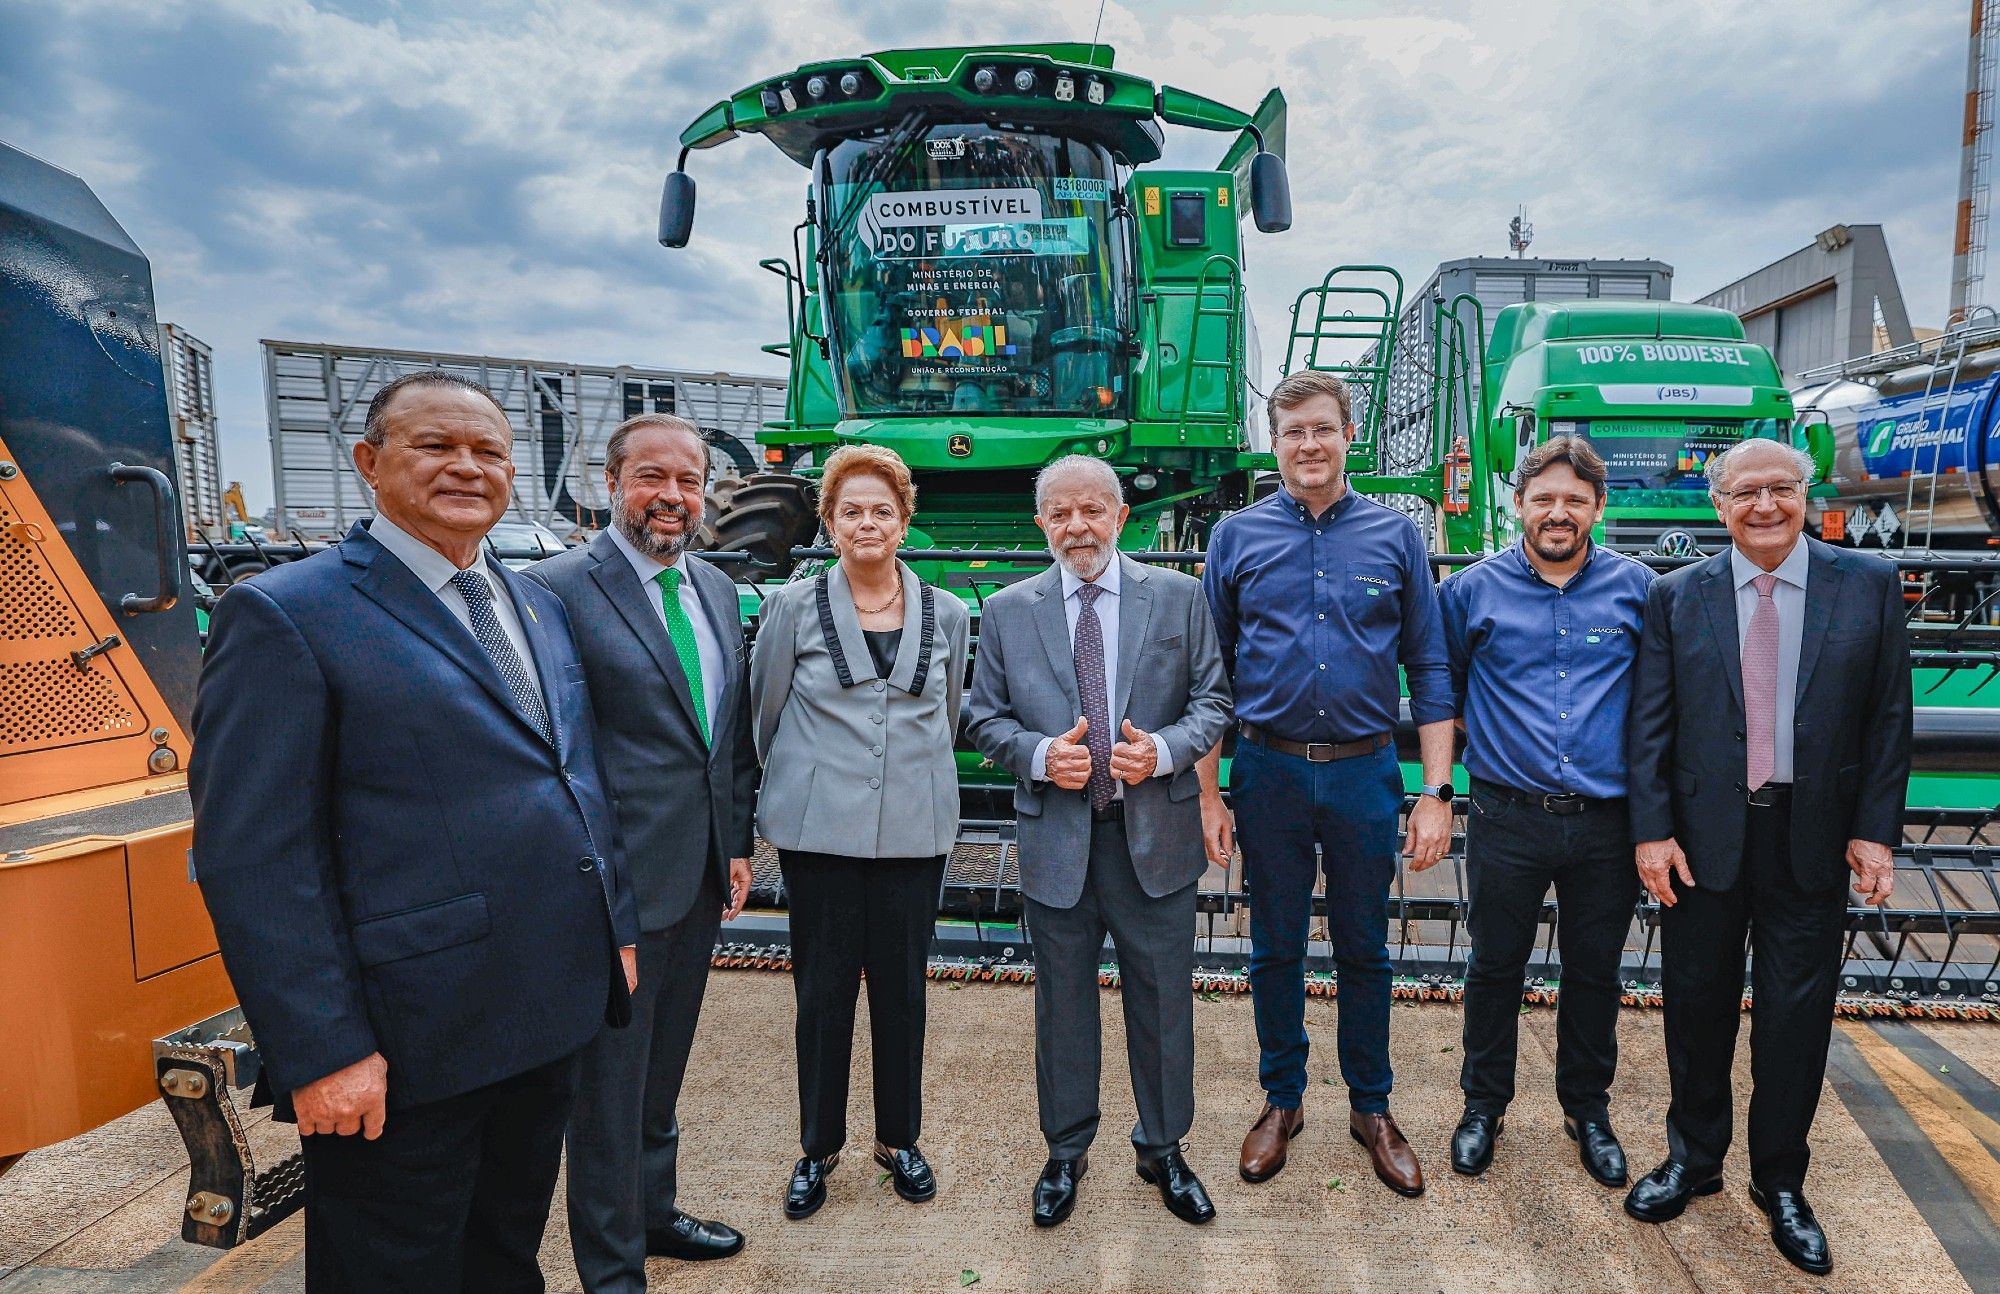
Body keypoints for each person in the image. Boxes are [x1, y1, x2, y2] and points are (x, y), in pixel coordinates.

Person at [189, 371, 638, 1294]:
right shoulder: (288, 613)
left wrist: (614, 930)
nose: (467, 468)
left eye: (488, 452)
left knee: (504, 1256)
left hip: (540, 1017)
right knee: (394, 1269)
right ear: (369, 462)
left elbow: (575, 778)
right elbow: (254, 859)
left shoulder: (533, 605)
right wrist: (324, 1051)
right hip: (405, 1044)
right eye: (436, 446)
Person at [1622, 438, 1910, 1276]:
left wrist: (1875, 831)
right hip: (1704, 840)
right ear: (1718, 506)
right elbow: (1650, 726)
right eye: (1745, 493)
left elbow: (1889, 718)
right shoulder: (1676, 596)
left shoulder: (1869, 585)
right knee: (1696, 1004)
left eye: (1781, 489)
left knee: (1796, 1018)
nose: (1764, 506)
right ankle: (1694, 1160)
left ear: (1805, 494)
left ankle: (1780, 1180)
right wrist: (1652, 830)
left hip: (1811, 835)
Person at [1199, 369, 1455, 1198]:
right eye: (1292, 432)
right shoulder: (1235, 538)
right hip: (1267, 770)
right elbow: (1212, 677)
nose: (1308, 445)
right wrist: (1210, 793)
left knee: (1365, 948)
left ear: (1350, 435)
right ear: (1274, 443)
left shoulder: (1397, 537)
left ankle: (1371, 1107)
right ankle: (1283, 1101)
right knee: (1273, 945)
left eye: (1322, 428)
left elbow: (1431, 665)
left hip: (1365, 771)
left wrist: (1435, 791)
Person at [965, 455, 1233, 1229]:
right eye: (1061, 514)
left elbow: (1215, 699)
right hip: (1059, 840)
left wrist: (1168, 750)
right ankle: (1066, 1149)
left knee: (1162, 1004)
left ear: (1121, 517)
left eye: (1092, 511)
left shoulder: (1179, 598)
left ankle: (1163, 1147)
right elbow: (984, 718)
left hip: (1156, 837)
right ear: (1041, 523)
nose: (1077, 527)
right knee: (1063, 1005)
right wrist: (1045, 756)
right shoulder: (1011, 610)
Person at [524, 413, 755, 1285]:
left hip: (696, 876)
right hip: (609, 884)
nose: (672, 496)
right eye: (651, 477)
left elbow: (722, 739)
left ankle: (655, 1215)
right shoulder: (552, 588)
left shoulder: (714, 588)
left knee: (661, 1071)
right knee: (609, 1092)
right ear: (613, 483)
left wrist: (735, 842)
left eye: (689, 480)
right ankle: (613, 1268)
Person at [748, 444, 971, 1221]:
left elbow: (944, 712)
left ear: (905, 522)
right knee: (823, 992)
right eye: (851, 511)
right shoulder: (790, 607)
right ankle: (818, 1147)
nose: (867, 523)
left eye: (882, 510)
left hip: (915, 831)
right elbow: (764, 717)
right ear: (830, 524)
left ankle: (898, 1139)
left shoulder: (950, 612)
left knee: (904, 991)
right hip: (820, 834)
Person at [1436, 437, 1653, 1186]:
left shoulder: (1639, 590)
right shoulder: (1470, 592)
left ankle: (1587, 1109)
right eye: (1543, 499)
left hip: (1607, 821)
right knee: (1494, 965)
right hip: (1508, 815)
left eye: (1574, 500)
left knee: (1595, 971)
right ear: (1518, 503)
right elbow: (1447, 693)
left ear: (1597, 506)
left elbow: (1659, 703)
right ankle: (1482, 1105)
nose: (1558, 513)